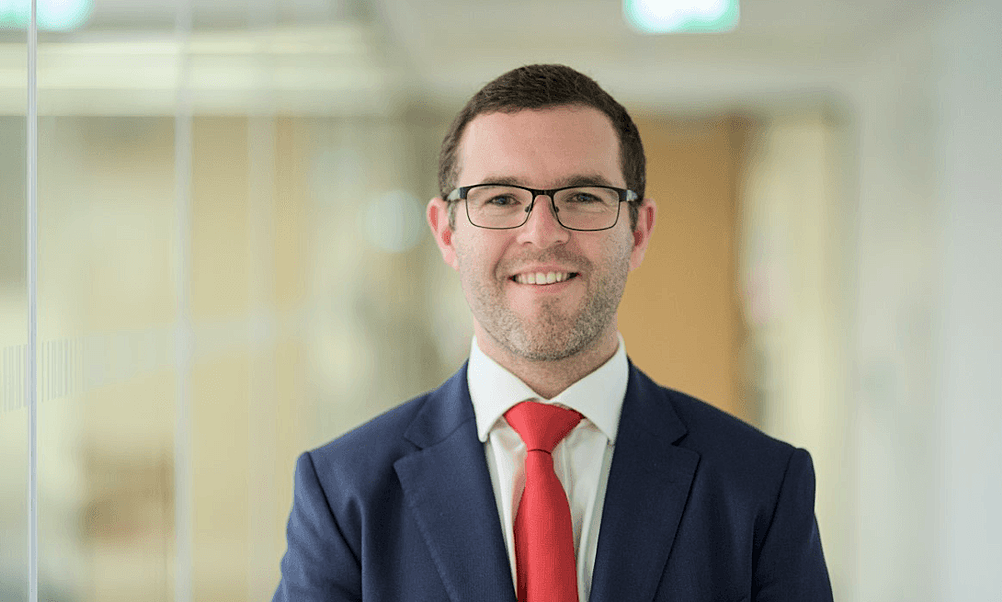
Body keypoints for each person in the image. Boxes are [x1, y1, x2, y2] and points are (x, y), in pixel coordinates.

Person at [273, 64, 832, 602]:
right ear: (446, 233)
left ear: (637, 232)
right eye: (500, 199)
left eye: (583, 197)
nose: (542, 234)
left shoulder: (761, 486)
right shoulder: (343, 493)